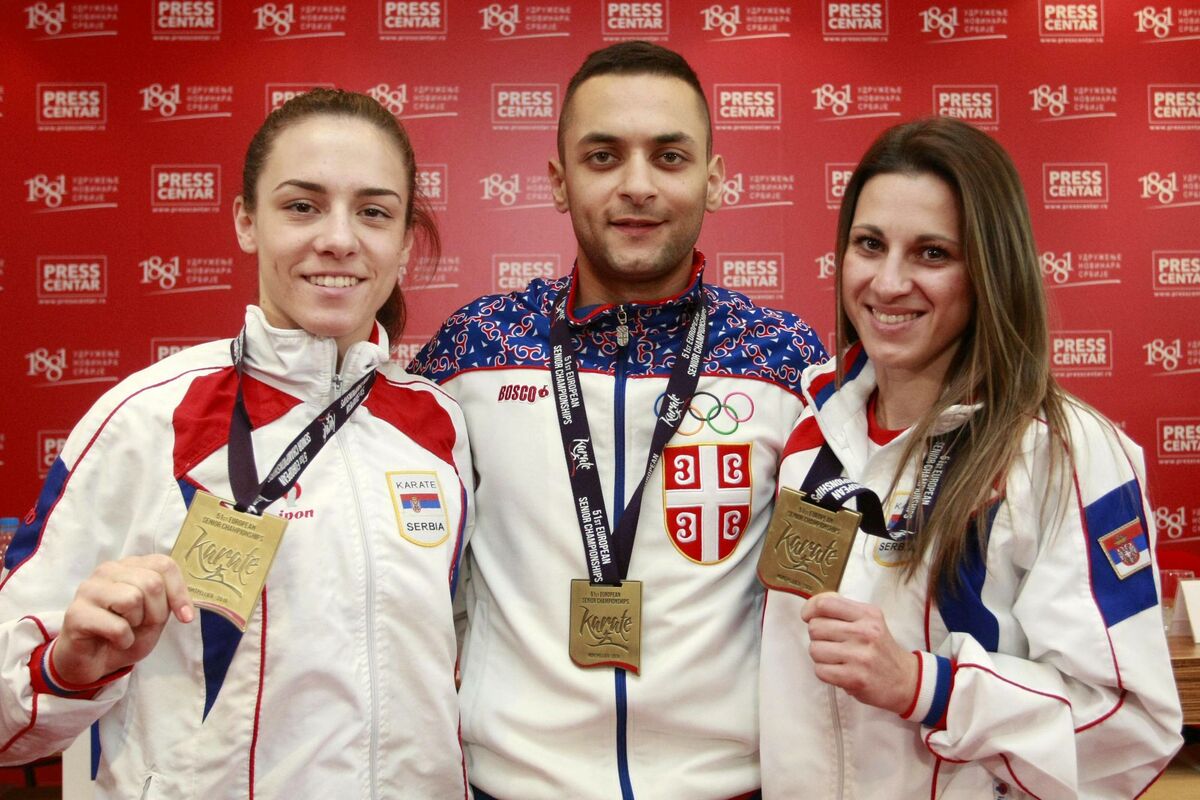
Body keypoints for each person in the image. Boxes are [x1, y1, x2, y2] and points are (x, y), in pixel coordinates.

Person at [0, 89, 473, 798]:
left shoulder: (440, 424)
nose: (339, 238)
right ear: (247, 221)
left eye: (373, 212)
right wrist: (68, 668)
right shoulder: (149, 417)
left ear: (404, 242)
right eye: (302, 206)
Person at [410, 42, 826, 800]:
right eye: (603, 157)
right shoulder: (473, 350)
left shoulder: (784, 359)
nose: (637, 185)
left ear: (714, 179)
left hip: (731, 787)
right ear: (559, 181)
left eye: (669, 157)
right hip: (510, 785)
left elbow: (833, 585)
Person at [759, 117, 1182, 799]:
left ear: (990, 267)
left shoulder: (1061, 452)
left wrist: (927, 687)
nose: (888, 282)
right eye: (870, 245)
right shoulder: (809, 430)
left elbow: (1130, 727)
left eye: (932, 253)